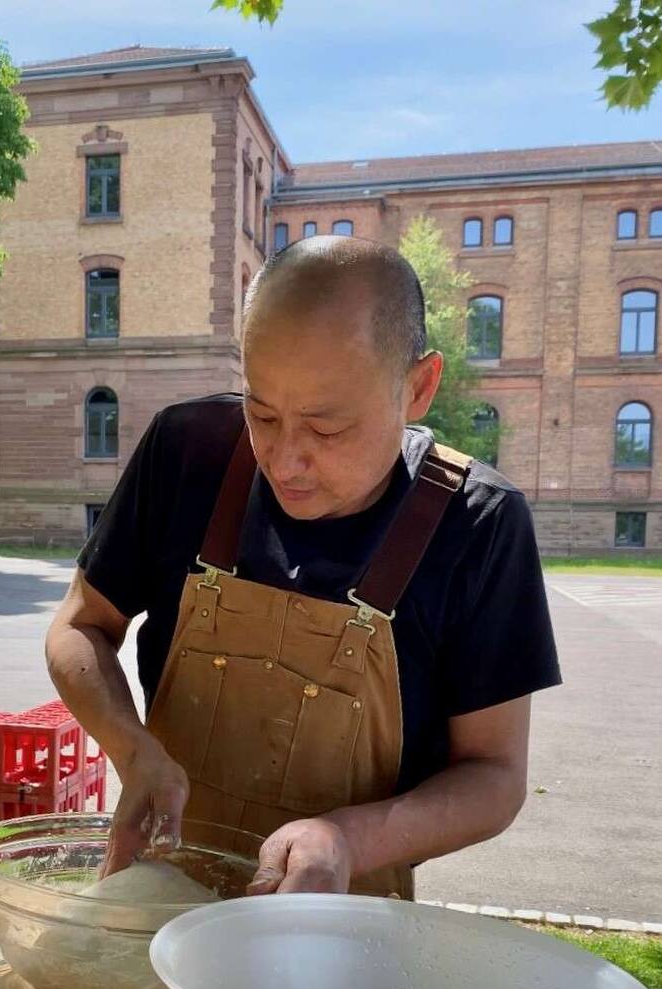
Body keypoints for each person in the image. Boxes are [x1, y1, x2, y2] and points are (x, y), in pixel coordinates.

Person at [46, 235, 561, 898]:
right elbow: (80, 626)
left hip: (341, 925)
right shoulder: (187, 452)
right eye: (261, 412)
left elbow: (494, 776)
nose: (284, 460)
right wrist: (133, 750)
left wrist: (349, 839)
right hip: (162, 893)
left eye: (327, 428)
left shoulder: (478, 523)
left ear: (417, 387)